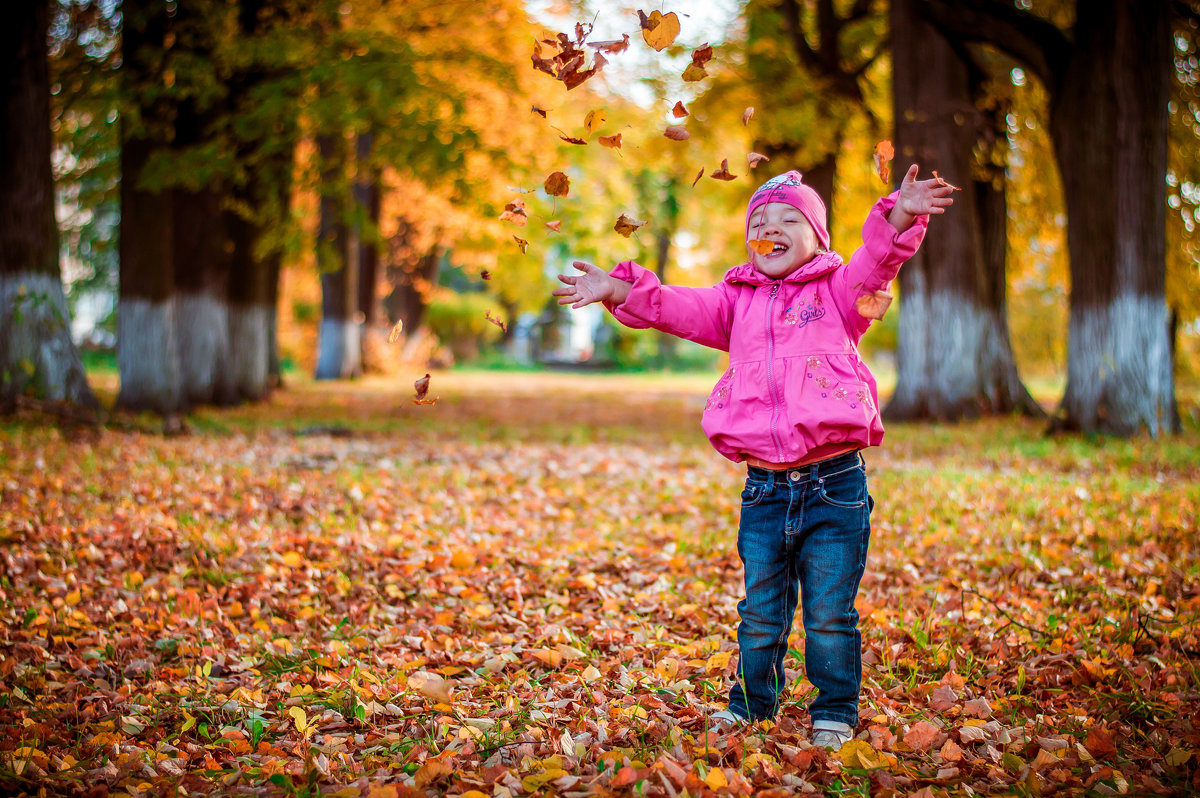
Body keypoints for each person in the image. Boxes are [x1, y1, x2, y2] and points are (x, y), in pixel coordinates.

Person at [552, 165, 954, 748]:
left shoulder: (839, 293)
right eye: (760, 222)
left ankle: (835, 710)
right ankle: (751, 705)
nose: (772, 228)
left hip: (834, 486)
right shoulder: (734, 302)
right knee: (761, 610)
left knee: (829, 613)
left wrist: (899, 213)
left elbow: (878, 260)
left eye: (791, 220)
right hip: (764, 489)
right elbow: (673, 306)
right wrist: (617, 288)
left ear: (817, 236)